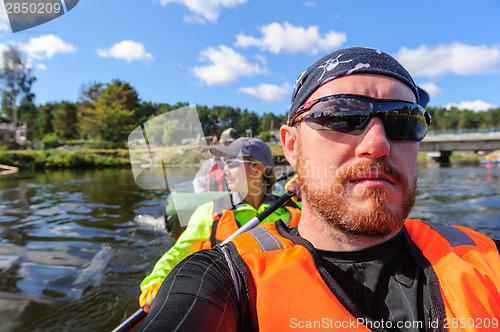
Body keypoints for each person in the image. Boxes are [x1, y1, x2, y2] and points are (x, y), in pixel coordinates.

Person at [138, 47, 500, 331]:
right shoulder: (224, 279)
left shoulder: (483, 259)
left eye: (404, 120)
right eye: (341, 115)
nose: (378, 143)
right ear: (292, 147)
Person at [139, 137, 301, 313]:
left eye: (231, 164)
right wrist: (155, 282)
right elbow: (180, 252)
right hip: (229, 306)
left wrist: (307, 186)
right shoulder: (209, 212)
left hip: (283, 303)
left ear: (257, 170)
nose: (224, 171)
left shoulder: (295, 208)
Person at [192, 128, 239, 193]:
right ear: (220, 144)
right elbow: (198, 182)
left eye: (231, 142)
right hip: (216, 201)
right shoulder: (209, 164)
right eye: (225, 142)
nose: (227, 145)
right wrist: (205, 198)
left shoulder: (243, 164)